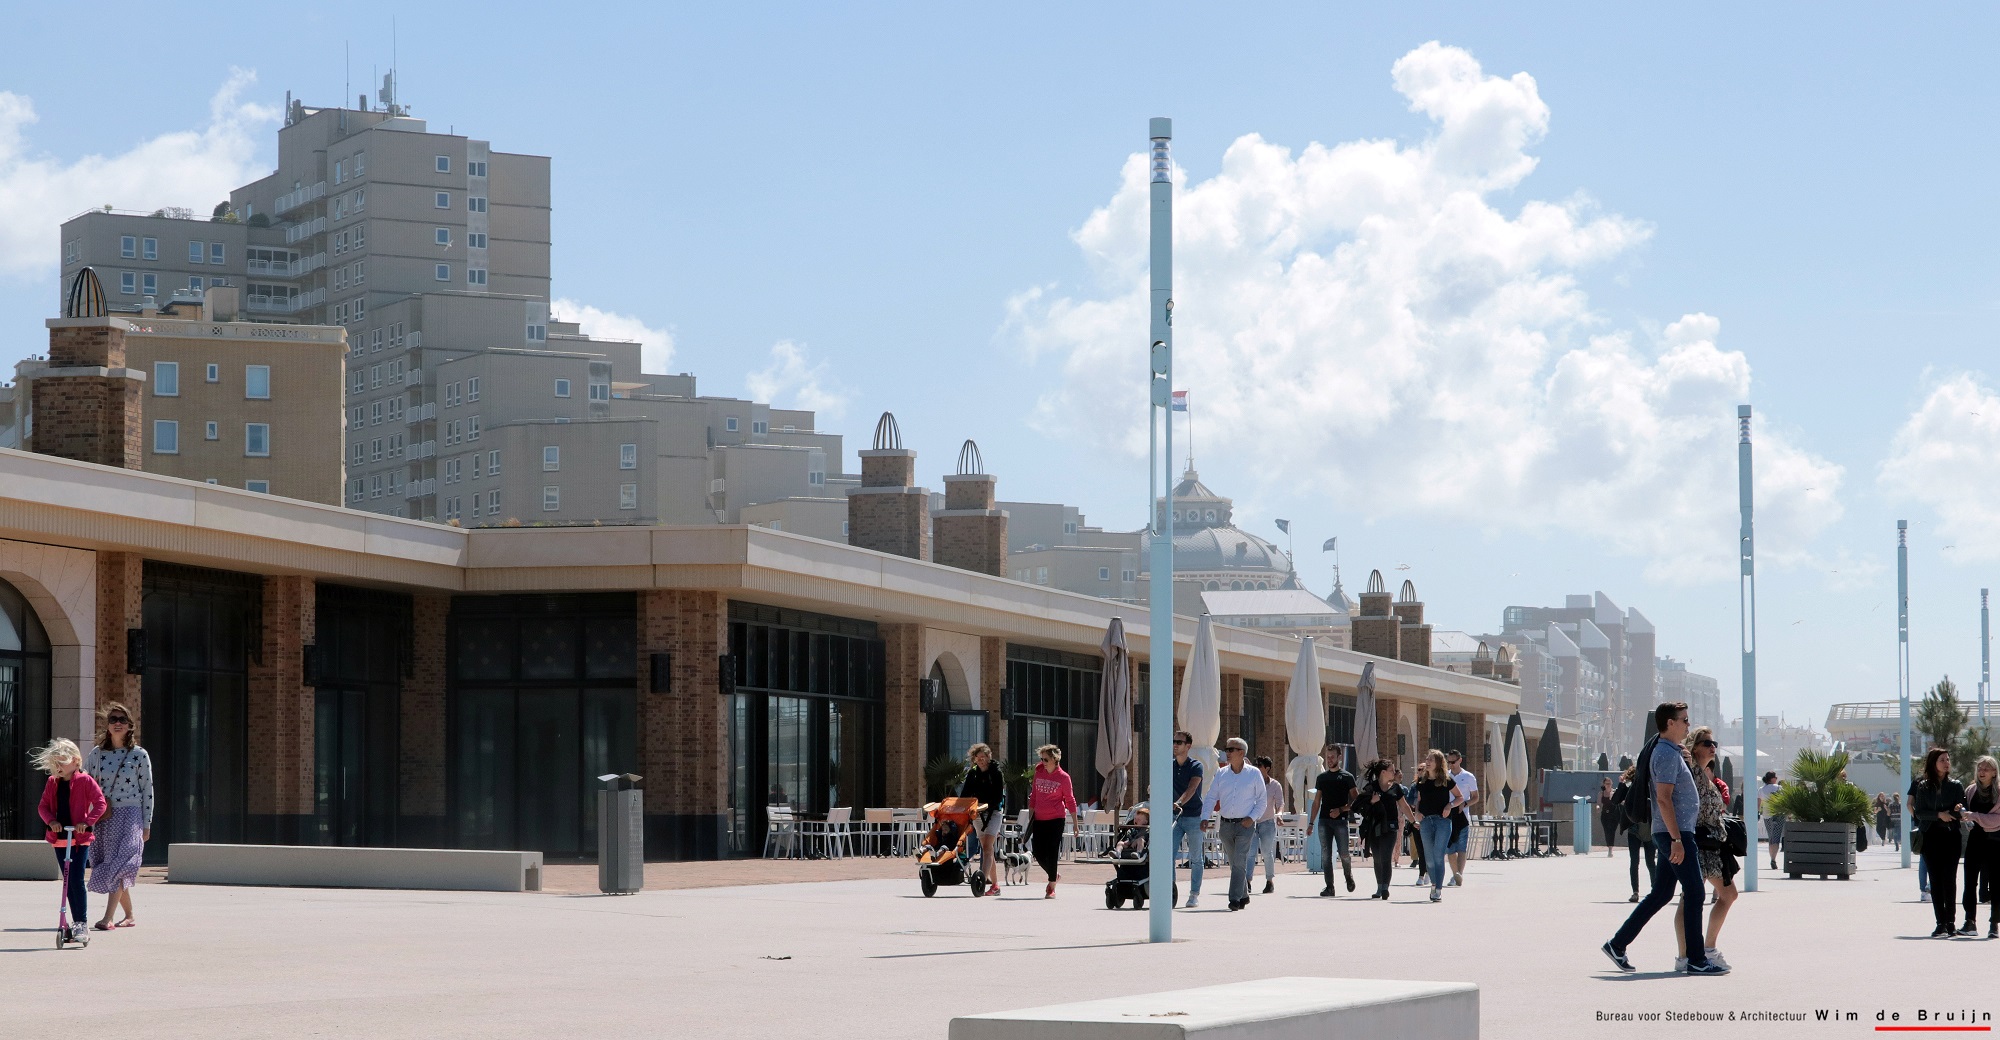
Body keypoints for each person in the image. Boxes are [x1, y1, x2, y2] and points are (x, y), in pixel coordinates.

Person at [1602, 701, 1727, 975]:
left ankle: (1617, 944)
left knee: (1660, 894)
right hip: (1675, 833)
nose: (1688, 725)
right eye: (1684, 720)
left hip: (1673, 831)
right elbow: (1663, 797)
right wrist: (1677, 840)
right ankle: (1695, 959)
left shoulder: (1669, 750)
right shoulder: (1666, 754)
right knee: (1695, 892)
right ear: (1670, 723)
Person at [1674, 727, 1738, 972]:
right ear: (1695, 747)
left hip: (1712, 845)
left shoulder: (1705, 775)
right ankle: (1686, 955)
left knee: (1728, 894)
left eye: (1714, 743)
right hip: (1697, 842)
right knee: (1689, 898)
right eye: (1707, 743)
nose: (1713, 747)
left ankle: (1707, 948)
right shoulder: (1689, 771)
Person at [34, 737, 106, 946]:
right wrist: (52, 821)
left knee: (75, 880)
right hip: (60, 837)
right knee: (67, 882)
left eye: (61, 762)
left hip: (79, 838)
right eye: (54, 763)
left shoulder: (84, 780)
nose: (58, 767)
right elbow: (43, 807)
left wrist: (87, 822)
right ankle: (70, 923)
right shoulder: (52, 783)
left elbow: (100, 803)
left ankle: (81, 923)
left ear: (75, 761)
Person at [1208, 737, 1265, 911]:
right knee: (1234, 863)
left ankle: (1234, 899)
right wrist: (1204, 817)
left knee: (1239, 861)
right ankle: (1244, 895)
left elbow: (1262, 800)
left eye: (1231, 750)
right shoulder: (1221, 773)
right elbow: (1211, 796)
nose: (1227, 753)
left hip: (1245, 825)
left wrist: (1252, 818)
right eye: (1226, 749)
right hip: (1225, 825)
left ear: (1241, 753)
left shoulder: (1254, 773)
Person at [1912, 747, 1965, 936]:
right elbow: (1919, 812)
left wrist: (1958, 809)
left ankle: (1951, 922)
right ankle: (1940, 922)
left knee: (1949, 879)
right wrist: (1938, 815)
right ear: (1934, 763)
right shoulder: (1923, 786)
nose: (1946, 763)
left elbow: (1962, 810)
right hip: (1931, 837)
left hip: (1951, 836)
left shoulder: (1956, 785)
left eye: (1948, 759)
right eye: (1942, 759)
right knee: (1935, 880)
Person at [1353, 759, 1412, 899]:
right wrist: (1371, 802)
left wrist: (1413, 820)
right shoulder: (1371, 787)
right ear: (1383, 772)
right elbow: (1357, 805)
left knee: (1386, 856)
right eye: (1391, 770)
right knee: (1377, 858)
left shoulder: (1395, 788)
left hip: (1390, 827)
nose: (1394, 772)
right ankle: (1379, 887)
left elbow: (1404, 806)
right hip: (1374, 827)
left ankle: (1385, 888)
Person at [1411, 749, 1464, 902]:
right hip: (1426, 821)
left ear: (1439, 763)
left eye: (1431, 760)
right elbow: (1419, 800)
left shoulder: (1447, 780)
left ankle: (1437, 888)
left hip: (1443, 821)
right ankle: (1434, 884)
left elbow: (1460, 797)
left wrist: (1449, 806)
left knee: (1438, 855)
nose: (1427, 762)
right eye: (1427, 759)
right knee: (1428, 858)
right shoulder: (1421, 781)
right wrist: (1417, 813)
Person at [1027, 744, 1079, 899]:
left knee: (1052, 851)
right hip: (1039, 819)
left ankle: (1051, 886)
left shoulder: (1064, 778)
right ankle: (1053, 874)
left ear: (1055, 759)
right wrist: (1031, 817)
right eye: (1041, 759)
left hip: (1056, 819)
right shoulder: (1039, 773)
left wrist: (1075, 823)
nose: (1043, 762)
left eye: (1046, 759)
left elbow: (1070, 800)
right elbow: (1034, 796)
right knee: (1037, 851)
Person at [1307, 745, 1358, 896]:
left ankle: (1348, 876)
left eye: (1332, 757)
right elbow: (1317, 802)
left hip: (1341, 821)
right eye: (1327, 757)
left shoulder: (1347, 777)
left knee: (1343, 853)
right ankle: (1329, 886)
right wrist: (1311, 823)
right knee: (1326, 854)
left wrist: (1341, 810)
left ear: (1339, 757)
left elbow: (1357, 800)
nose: (1329, 760)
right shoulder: (1322, 778)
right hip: (1324, 821)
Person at [957, 742, 1004, 896]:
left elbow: (997, 795)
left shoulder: (996, 773)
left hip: (993, 813)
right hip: (977, 813)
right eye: (978, 758)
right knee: (986, 848)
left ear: (988, 757)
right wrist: (961, 807)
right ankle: (995, 885)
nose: (981, 760)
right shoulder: (973, 773)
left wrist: (987, 805)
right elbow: (965, 793)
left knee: (987, 848)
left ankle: (982, 881)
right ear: (974, 759)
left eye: (984, 757)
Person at [1167, 731, 1207, 908]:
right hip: (1174, 817)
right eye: (1174, 741)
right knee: (1168, 855)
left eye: (1179, 742)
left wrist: (1178, 802)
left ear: (1188, 746)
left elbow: (1192, 788)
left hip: (1193, 816)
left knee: (1196, 857)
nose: (1175, 745)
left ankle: (1194, 894)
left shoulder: (1196, 766)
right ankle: (1171, 892)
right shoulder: (1170, 765)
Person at [1962, 756, 2000, 938]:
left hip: (1995, 841)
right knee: (1969, 881)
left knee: (1996, 883)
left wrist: (1975, 816)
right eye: (1980, 768)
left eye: (1986, 768)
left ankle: (1994, 924)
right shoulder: (1971, 790)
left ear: (1994, 772)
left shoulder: (1999, 792)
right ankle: (1970, 921)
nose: (1982, 771)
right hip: (1975, 839)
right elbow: (1965, 814)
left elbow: (1998, 820)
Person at [1612, 765, 1654, 903]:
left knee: (1650, 861)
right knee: (1634, 861)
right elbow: (1615, 800)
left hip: (1649, 827)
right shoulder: (1629, 787)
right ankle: (1635, 892)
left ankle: (1655, 889)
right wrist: (1621, 784)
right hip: (1634, 828)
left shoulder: (1650, 785)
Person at [1445, 750, 1479, 886]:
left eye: (1453, 762)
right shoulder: (1445, 776)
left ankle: (1459, 874)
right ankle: (1455, 874)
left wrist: (1465, 804)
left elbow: (1476, 797)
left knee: (1461, 848)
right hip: (1447, 815)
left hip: (1462, 816)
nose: (1451, 765)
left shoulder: (1468, 777)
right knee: (1450, 848)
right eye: (1449, 762)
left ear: (1460, 760)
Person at [1252, 755, 1284, 895]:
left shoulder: (1275, 785)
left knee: (1266, 852)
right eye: (1256, 766)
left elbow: (1280, 803)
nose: (1257, 768)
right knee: (1250, 853)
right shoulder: (1251, 783)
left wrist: (1279, 814)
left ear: (1267, 768)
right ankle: (1247, 882)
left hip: (1268, 822)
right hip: (1251, 822)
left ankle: (1269, 881)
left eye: (1259, 766)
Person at [1756, 771, 1783, 872]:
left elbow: (1758, 804)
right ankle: (1773, 859)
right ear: (1772, 779)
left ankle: (1772, 857)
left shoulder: (1761, 789)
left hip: (1767, 815)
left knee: (1771, 836)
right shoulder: (1779, 788)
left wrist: (1757, 813)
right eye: (1775, 777)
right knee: (1776, 837)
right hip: (1778, 814)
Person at [1598, 776, 1621, 859]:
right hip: (1605, 815)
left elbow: (1619, 801)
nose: (1608, 785)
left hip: (1614, 814)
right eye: (1606, 784)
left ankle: (1610, 849)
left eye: (1609, 783)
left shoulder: (1614, 792)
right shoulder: (1601, 793)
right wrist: (1598, 807)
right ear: (1604, 784)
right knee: (1607, 831)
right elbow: (1599, 803)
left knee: (1612, 831)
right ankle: (1609, 848)